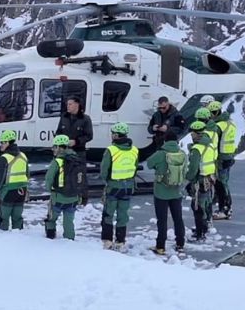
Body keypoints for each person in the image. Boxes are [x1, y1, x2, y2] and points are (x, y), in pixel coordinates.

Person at [146, 130, 187, 255]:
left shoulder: (160, 154)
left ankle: (160, 246)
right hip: (176, 192)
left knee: (162, 220)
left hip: (161, 192)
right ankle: (180, 243)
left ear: (165, 140)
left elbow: (149, 164)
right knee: (178, 219)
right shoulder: (182, 153)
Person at [99, 122, 138, 250]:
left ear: (115, 135)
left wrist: (106, 180)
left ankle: (108, 240)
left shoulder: (111, 150)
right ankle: (120, 241)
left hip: (113, 187)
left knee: (108, 214)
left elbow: (104, 169)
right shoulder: (134, 150)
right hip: (128, 187)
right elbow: (135, 167)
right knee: (123, 215)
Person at [55, 96, 93, 204]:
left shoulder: (85, 119)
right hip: (64, 151)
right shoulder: (64, 117)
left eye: (70, 104)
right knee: (63, 173)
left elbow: (89, 136)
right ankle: (64, 195)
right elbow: (58, 132)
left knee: (80, 174)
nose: (68, 106)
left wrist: (76, 141)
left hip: (78, 151)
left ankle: (83, 197)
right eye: (67, 104)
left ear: (77, 105)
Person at [44, 135, 82, 240]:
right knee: (69, 221)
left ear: (60, 148)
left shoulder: (57, 162)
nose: (53, 149)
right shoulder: (77, 159)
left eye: (54, 147)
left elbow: (48, 179)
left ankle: (50, 237)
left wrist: (50, 191)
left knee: (51, 219)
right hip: (74, 197)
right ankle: (70, 240)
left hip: (58, 197)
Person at [185, 120, 216, 242]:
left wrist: (189, 178)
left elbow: (193, 168)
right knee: (206, 202)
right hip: (210, 178)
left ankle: (200, 232)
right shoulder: (210, 144)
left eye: (192, 133)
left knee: (197, 206)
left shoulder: (197, 149)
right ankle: (206, 226)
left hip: (200, 180)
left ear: (196, 134)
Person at [0, 130, 29, 231]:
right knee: (17, 216)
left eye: (3, 142)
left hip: (8, 191)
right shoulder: (23, 156)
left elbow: (0, 178)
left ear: (8, 143)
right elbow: (27, 174)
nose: (1, 145)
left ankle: (3, 239)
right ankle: (18, 236)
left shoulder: (4, 158)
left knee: (4, 217)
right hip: (22, 190)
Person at [208, 100, 237, 219]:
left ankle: (225, 209)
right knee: (223, 183)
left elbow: (213, 142)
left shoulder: (218, 126)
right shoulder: (230, 123)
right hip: (229, 156)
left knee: (221, 184)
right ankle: (226, 208)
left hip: (220, 158)